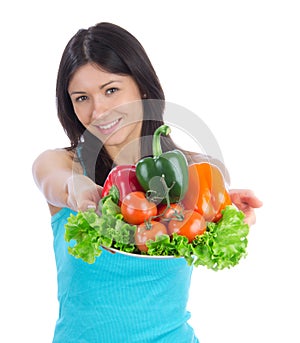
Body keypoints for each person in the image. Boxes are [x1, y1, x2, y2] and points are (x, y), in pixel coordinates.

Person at [32, 22, 262, 343]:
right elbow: (58, 182)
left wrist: (224, 211)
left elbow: (210, 203)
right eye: (82, 97)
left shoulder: (196, 169)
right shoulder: (61, 164)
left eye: (111, 90)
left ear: (141, 86)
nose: (98, 110)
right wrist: (80, 190)